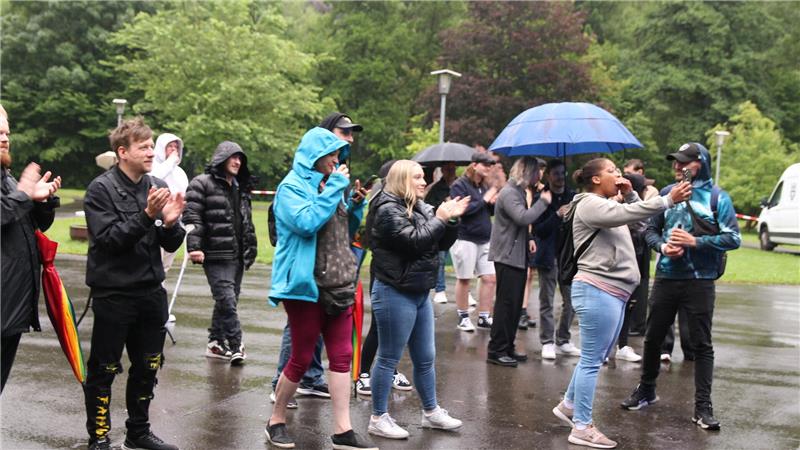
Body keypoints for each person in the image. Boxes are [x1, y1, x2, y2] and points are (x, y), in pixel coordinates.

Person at [550, 157, 691, 449]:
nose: (619, 174)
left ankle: (569, 405)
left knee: (595, 356)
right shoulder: (589, 204)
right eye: (612, 171)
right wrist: (666, 200)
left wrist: (629, 194)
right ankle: (582, 427)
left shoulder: (608, 204)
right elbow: (630, 214)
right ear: (596, 180)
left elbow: (638, 220)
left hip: (611, 292)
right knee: (592, 361)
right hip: (597, 290)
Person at [266, 126, 374, 449]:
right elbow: (306, 223)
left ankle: (343, 430)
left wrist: (353, 206)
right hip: (306, 285)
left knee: (341, 354)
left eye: (338, 155)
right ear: (314, 155)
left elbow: (342, 231)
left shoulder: (333, 186)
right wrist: (335, 190)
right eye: (331, 155)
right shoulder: (291, 188)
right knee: (300, 356)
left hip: (338, 282)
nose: (336, 160)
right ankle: (276, 419)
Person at [621, 143, 741, 431]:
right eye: (675, 161)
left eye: (684, 162)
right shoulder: (666, 194)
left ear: (701, 163)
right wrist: (662, 246)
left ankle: (703, 407)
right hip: (666, 277)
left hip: (700, 281)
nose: (677, 167)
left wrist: (695, 242)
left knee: (702, 345)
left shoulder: (717, 198)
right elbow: (650, 230)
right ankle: (646, 390)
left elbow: (733, 238)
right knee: (652, 338)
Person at [82, 117, 186, 450]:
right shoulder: (101, 189)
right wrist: (146, 215)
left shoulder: (154, 184)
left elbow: (169, 244)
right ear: (122, 152)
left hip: (151, 292)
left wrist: (170, 225)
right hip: (114, 295)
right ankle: (99, 436)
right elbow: (109, 241)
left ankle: (138, 432)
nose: (150, 151)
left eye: (150, 144)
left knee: (148, 367)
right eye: (143, 146)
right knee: (104, 369)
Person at [366, 160, 468, 439]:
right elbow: (414, 242)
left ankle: (431, 411)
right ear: (401, 180)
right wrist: (441, 218)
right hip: (394, 290)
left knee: (425, 358)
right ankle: (378, 417)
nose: (424, 182)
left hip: (420, 291)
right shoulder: (387, 210)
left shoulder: (421, 206)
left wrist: (452, 220)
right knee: (388, 357)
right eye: (418, 178)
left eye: (423, 177)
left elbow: (440, 244)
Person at [1, 110, 61, 392]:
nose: (4, 140)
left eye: (6, 134)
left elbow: (32, 226)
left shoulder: (8, 180)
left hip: (11, 308)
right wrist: (24, 194)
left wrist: (42, 202)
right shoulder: (15, 186)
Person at [183, 141, 257, 366]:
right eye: (233, 157)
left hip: (237, 254)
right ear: (221, 158)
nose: (237, 162)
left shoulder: (239, 186)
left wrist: (250, 248)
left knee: (228, 299)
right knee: (226, 299)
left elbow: (246, 220)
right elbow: (192, 216)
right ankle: (236, 344)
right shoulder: (201, 183)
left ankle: (215, 342)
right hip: (215, 254)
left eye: (240, 158)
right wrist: (194, 246)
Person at [486, 157, 551, 367]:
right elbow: (523, 217)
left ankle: (507, 346)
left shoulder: (519, 191)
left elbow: (519, 225)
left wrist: (530, 239)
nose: (539, 177)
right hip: (507, 256)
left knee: (514, 306)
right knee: (506, 305)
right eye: (536, 173)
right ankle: (496, 350)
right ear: (527, 172)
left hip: (517, 254)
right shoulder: (509, 192)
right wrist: (544, 202)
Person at [530, 159, 580, 360]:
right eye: (556, 173)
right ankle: (547, 341)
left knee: (572, 300)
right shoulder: (541, 198)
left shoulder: (573, 196)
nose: (560, 177)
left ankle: (563, 339)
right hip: (548, 255)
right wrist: (557, 215)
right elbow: (538, 229)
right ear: (548, 175)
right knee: (547, 300)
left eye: (562, 173)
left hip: (568, 255)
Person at [449, 152, 499, 331]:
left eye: (490, 165)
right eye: (485, 164)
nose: (488, 168)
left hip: (484, 238)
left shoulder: (483, 185)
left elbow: (486, 211)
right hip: (465, 238)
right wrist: (484, 200)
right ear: (474, 165)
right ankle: (463, 317)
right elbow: (462, 210)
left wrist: (492, 203)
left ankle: (484, 316)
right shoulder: (459, 185)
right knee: (464, 278)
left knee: (490, 278)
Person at [622, 158, 658, 336]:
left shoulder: (650, 192)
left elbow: (643, 218)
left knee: (640, 284)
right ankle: (632, 324)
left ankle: (637, 325)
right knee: (635, 283)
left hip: (639, 245)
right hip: (636, 244)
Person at [150, 133, 189, 274]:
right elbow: (153, 179)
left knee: (166, 265)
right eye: (170, 146)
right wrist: (170, 161)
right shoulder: (153, 166)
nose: (174, 150)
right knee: (155, 262)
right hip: (156, 221)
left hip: (174, 222)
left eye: (176, 147)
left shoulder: (180, 173)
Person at [424, 161, 457, 304]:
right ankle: (440, 289)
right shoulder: (436, 189)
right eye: (448, 169)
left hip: (459, 228)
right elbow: (430, 206)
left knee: (461, 263)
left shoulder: (460, 186)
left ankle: (465, 293)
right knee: (441, 259)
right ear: (443, 170)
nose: (451, 171)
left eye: (453, 169)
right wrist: (444, 204)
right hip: (443, 228)